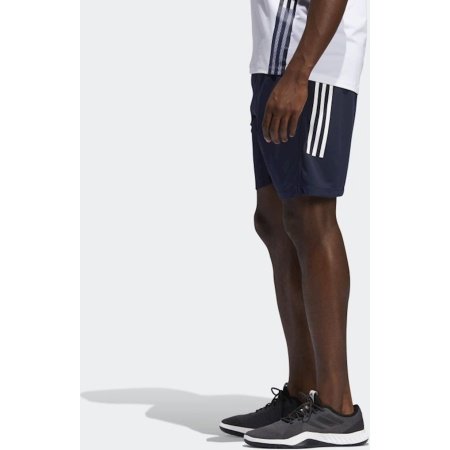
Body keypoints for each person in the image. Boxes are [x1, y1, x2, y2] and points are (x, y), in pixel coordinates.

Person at [219, 1, 368, 448]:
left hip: (311, 70)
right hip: (272, 64)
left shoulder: (304, 73)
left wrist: (299, 74)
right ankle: (302, 393)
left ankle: (337, 407)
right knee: (273, 221)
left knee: (310, 217)